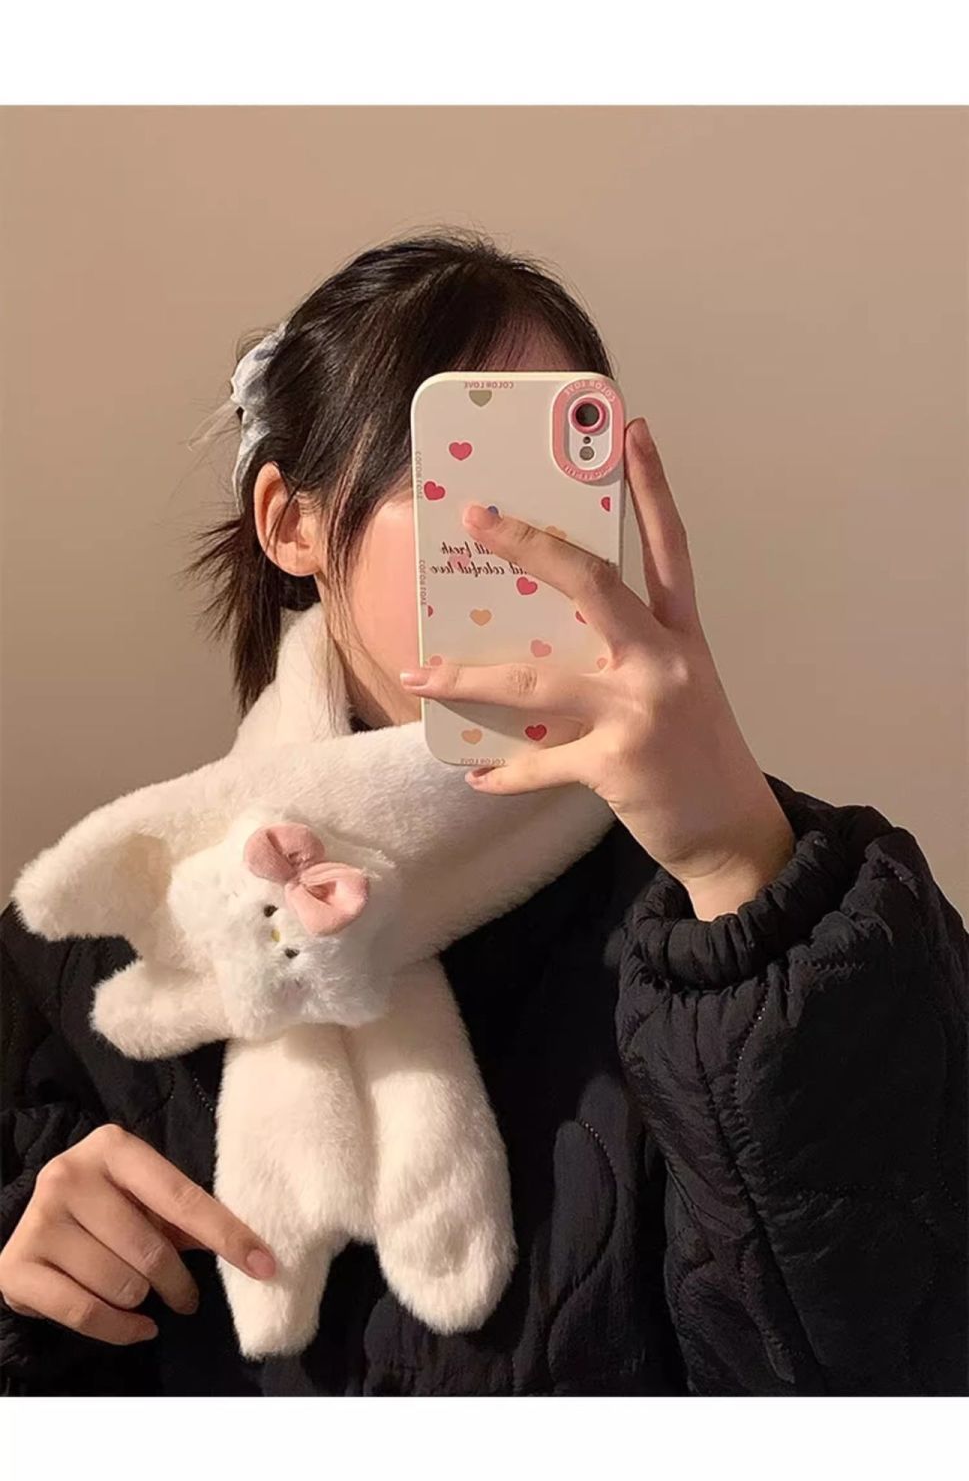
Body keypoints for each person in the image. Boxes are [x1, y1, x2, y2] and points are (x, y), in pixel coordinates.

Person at [1, 228, 966, 1398]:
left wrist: (743, 879)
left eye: (557, 476)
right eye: (451, 470)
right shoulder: (97, 934)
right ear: (290, 522)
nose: (514, 534)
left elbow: (893, 1364)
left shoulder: (781, 905)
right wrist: (25, 1290)